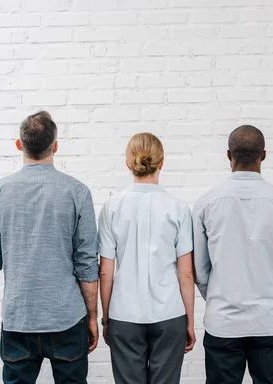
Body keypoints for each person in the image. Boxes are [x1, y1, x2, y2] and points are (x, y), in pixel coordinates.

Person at [0, 111, 99, 384]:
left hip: (19, 318)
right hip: (68, 319)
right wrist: (93, 317)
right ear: (55, 145)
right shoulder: (77, 192)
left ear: (19, 145)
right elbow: (87, 263)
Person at [193, 125, 273, 384]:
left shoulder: (206, 204)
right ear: (263, 155)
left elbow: (199, 270)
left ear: (228, 155)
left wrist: (219, 297)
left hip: (223, 322)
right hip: (271, 321)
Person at [98, 133, 195, 384]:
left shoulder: (112, 207)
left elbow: (106, 271)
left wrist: (106, 319)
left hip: (124, 315)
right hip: (170, 314)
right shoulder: (178, 208)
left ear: (128, 164)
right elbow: (186, 273)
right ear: (161, 163)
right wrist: (190, 321)